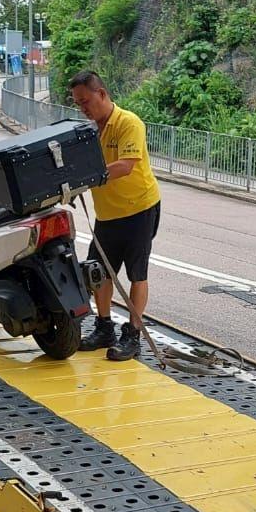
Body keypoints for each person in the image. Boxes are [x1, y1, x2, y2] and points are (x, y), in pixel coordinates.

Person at [68, 70, 162, 362]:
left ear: (102, 94)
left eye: (86, 101)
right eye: (78, 103)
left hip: (139, 209)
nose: (83, 108)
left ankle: (133, 335)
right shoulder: (91, 131)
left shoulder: (128, 123)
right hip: (107, 214)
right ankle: (104, 327)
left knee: (137, 273)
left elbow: (126, 165)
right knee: (98, 272)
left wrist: (89, 177)